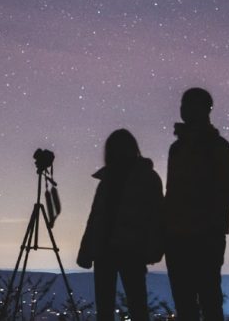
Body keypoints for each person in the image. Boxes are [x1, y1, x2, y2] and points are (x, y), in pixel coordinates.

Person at [164, 87, 229, 321]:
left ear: (206, 109)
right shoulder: (178, 149)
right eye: (183, 105)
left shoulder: (216, 148)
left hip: (202, 237)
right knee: (194, 301)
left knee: (205, 300)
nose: (184, 110)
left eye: (189, 105)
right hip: (185, 237)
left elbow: (228, 195)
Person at [78, 129, 164, 321]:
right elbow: (95, 218)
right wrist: (86, 250)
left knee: (134, 306)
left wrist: (154, 248)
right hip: (108, 250)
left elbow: (157, 216)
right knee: (114, 308)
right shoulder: (110, 180)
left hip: (130, 250)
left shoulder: (145, 178)